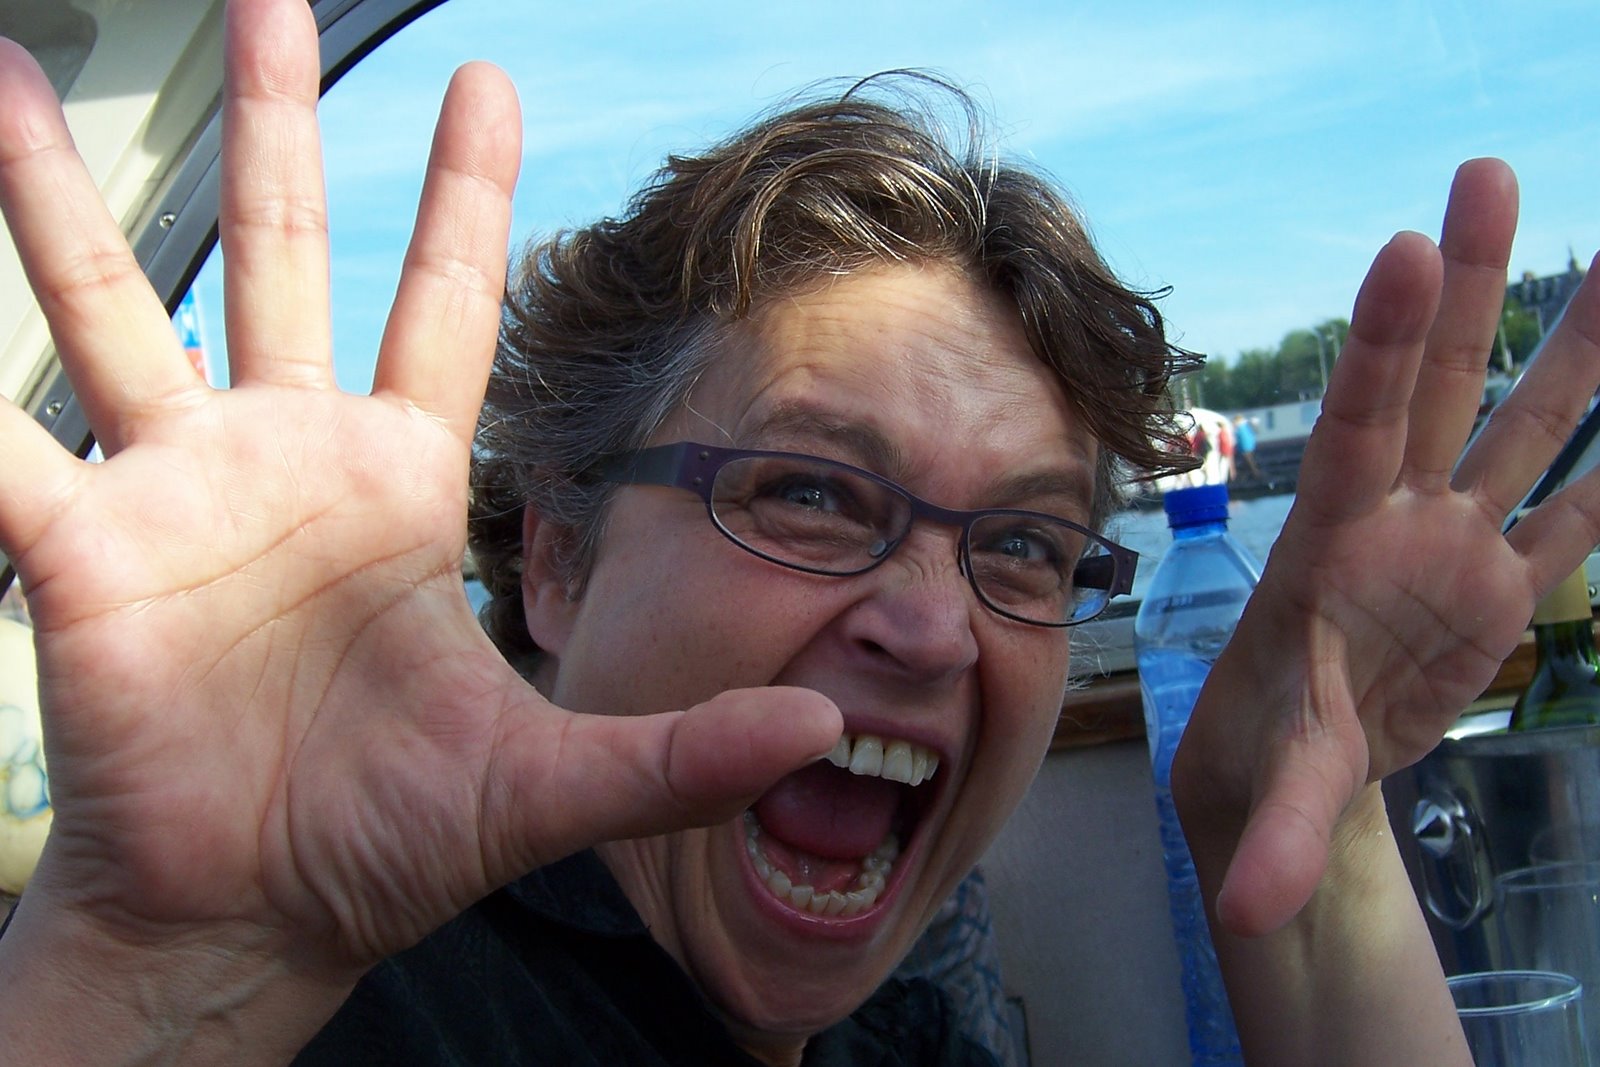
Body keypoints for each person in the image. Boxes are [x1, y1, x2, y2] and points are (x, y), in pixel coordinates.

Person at [0, 1, 1597, 1063]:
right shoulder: (345, 994)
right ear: (556, 558)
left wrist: (1308, 835)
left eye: (1025, 547)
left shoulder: (903, 1030)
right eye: (813, 494)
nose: (935, 624)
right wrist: (155, 994)